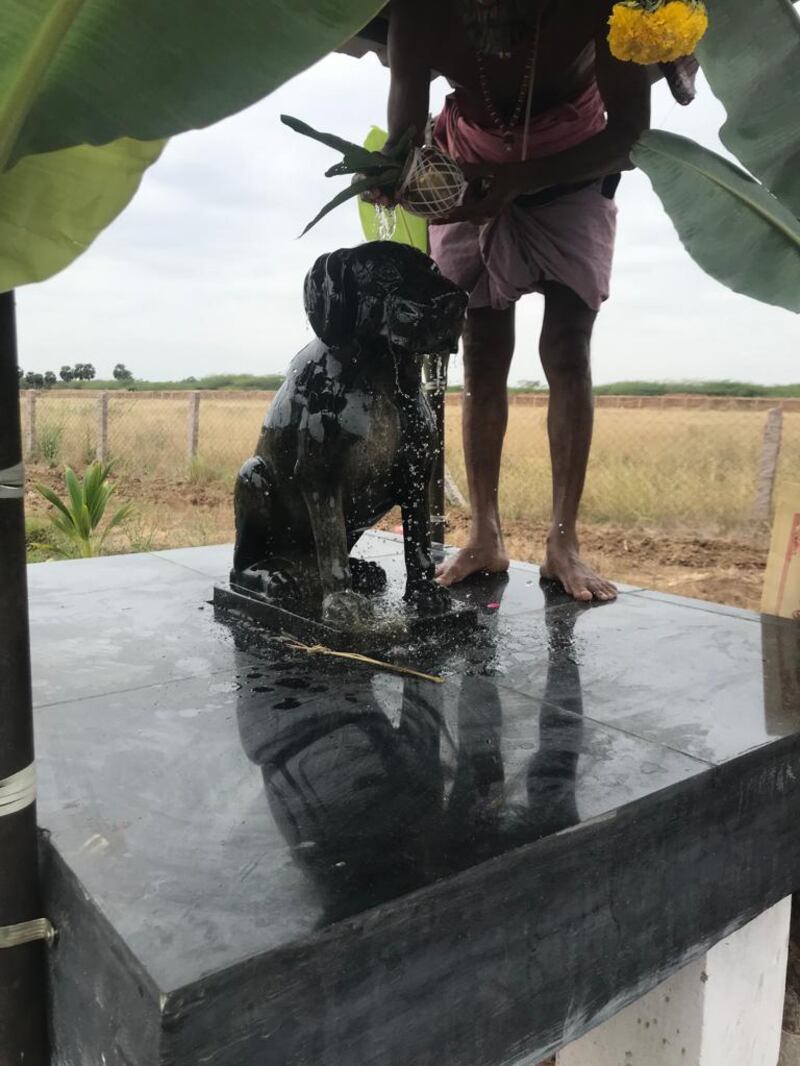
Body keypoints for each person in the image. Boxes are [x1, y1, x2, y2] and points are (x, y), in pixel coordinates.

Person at [377, 0, 656, 601]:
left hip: (574, 176)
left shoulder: (606, 9)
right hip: (467, 176)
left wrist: (523, 180)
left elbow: (631, 134)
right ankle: (484, 534)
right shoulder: (419, 13)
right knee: (481, 357)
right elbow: (403, 135)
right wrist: (391, 174)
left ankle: (564, 543)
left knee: (566, 350)